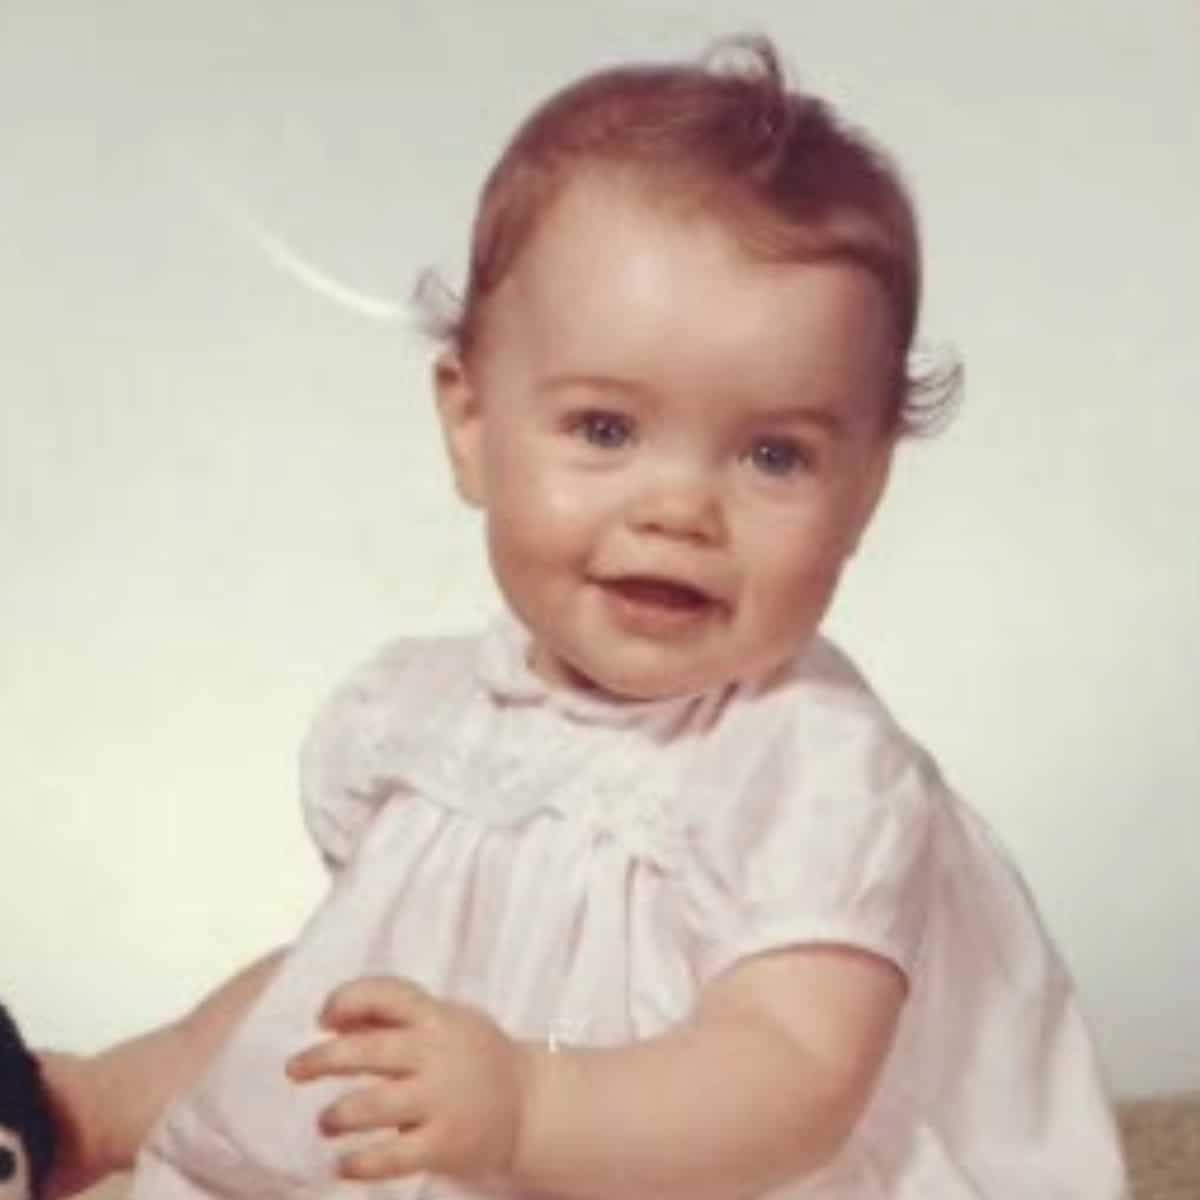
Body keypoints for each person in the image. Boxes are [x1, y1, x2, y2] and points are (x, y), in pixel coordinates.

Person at [40, 35, 1128, 1200]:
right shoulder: (436, 721)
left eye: (774, 455)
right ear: (472, 427)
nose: (678, 509)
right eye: (606, 430)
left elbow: (794, 1075)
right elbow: (334, 995)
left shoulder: (812, 772)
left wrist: (533, 1106)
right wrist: (109, 1098)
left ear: (864, 491)